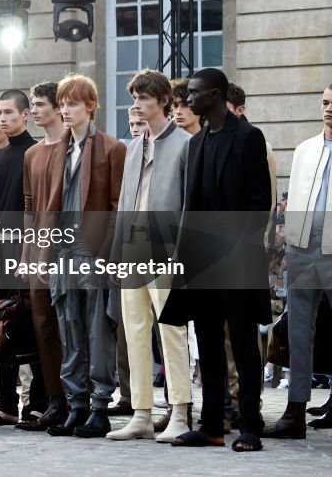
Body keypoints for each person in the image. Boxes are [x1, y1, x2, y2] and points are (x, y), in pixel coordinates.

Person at [160, 68, 272, 452]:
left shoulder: (248, 137)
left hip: (237, 261)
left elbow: (260, 207)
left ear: (216, 95)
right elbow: (192, 207)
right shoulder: (196, 143)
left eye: (195, 93)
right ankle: (210, 426)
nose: (188, 99)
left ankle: (250, 427)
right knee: (206, 345)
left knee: (242, 345)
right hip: (201, 261)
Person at [107, 70, 193, 442]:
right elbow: (125, 203)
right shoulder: (133, 147)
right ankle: (141, 412)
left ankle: (180, 412)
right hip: (133, 248)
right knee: (136, 333)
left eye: (143, 98)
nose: (136, 105)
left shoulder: (187, 144)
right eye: (134, 99)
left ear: (163, 101)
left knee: (171, 332)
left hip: (166, 249)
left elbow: (190, 207)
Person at [39, 75, 125, 439]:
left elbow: (118, 207)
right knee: (68, 328)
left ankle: (100, 406)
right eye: (63, 103)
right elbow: (48, 207)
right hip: (62, 250)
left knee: (97, 329)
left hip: (93, 252)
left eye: (72, 103)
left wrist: (106, 255)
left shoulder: (111, 148)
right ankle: (76, 404)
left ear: (91, 106)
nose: (65, 109)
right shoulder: (58, 149)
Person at [265, 84, 332, 438]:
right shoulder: (305, 149)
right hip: (304, 248)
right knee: (298, 331)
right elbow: (297, 198)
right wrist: (291, 249)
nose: (328, 109)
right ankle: (294, 412)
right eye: (324, 103)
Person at [0, 89, 46, 427]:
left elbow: (37, 209)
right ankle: (4, 402)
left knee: (31, 325)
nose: (2, 118)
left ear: (25, 115)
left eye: (8, 112)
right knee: (0, 324)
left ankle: (40, 400)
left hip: (26, 250)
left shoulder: (34, 152)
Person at [16, 81, 70, 433]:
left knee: (73, 328)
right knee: (44, 328)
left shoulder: (77, 147)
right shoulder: (31, 155)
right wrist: (25, 255)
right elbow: (28, 209)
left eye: (39, 105)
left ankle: (79, 399)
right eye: (32, 105)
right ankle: (55, 402)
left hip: (70, 249)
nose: (33, 111)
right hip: (38, 251)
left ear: (56, 107)